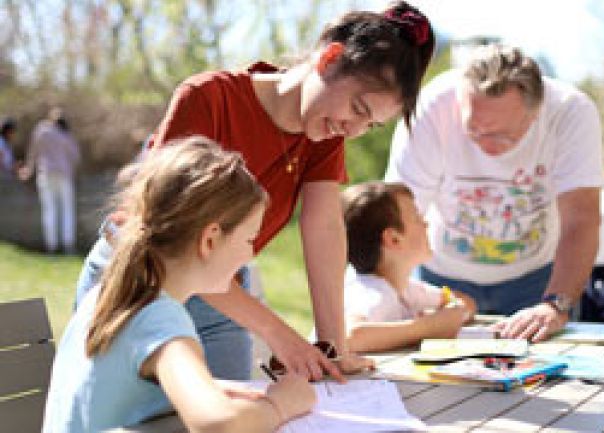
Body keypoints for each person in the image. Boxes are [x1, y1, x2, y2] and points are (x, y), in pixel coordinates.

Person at [74, 1, 436, 381]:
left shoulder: (324, 133)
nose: (355, 130)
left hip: (222, 291)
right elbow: (169, 244)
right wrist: (278, 333)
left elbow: (324, 231)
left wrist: (334, 345)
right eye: (359, 108)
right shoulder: (209, 98)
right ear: (329, 58)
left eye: (371, 124)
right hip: (140, 283)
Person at [42, 137, 316, 433]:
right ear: (210, 240)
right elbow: (218, 424)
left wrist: (211, 389)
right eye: (249, 240)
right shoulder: (159, 319)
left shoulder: (109, 296)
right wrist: (281, 404)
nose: (250, 255)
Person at [385, 45, 603, 342]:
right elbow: (396, 214)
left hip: (537, 281)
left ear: (535, 114)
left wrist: (556, 305)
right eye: (473, 130)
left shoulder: (570, 112)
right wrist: (378, 293)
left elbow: (581, 217)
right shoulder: (432, 106)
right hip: (441, 278)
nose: (485, 146)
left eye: (502, 135)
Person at [341, 181, 476, 352]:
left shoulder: (406, 289)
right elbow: (351, 336)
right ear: (394, 239)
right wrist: (429, 327)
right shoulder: (371, 293)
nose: (426, 223)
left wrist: (454, 314)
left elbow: (464, 301)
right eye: (417, 217)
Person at [19, 108, 81, 254]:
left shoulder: (41, 130)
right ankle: (68, 245)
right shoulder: (66, 135)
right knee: (67, 210)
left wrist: (29, 170)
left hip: (46, 174)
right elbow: (76, 157)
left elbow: (33, 152)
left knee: (49, 210)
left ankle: (51, 246)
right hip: (64, 175)